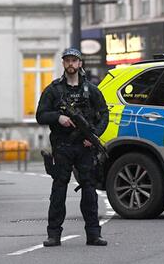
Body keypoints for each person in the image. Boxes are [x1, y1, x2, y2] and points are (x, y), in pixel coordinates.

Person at [35, 47, 109, 247]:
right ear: (63, 63)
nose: (71, 64)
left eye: (74, 61)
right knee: (59, 189)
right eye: (67, 60)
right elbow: (40, 115)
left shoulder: (92, 90)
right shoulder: (54, 90)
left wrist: (93, 136)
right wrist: (58, 117)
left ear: (80, 64)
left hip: (85, 147)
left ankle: (94, 234)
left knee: (89, 190)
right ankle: (54, 234)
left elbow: (104, 115)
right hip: (63, 146)